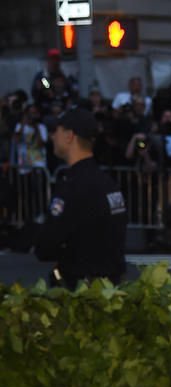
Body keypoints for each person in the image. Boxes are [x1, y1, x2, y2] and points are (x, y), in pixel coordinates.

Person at [34, 107, 126, 289]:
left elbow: (44, 246)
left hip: (80, 294)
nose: (52, 136)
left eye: (56, 131)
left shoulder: (72, 187)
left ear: (69, 136)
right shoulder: (109, 183)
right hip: (111, 289)